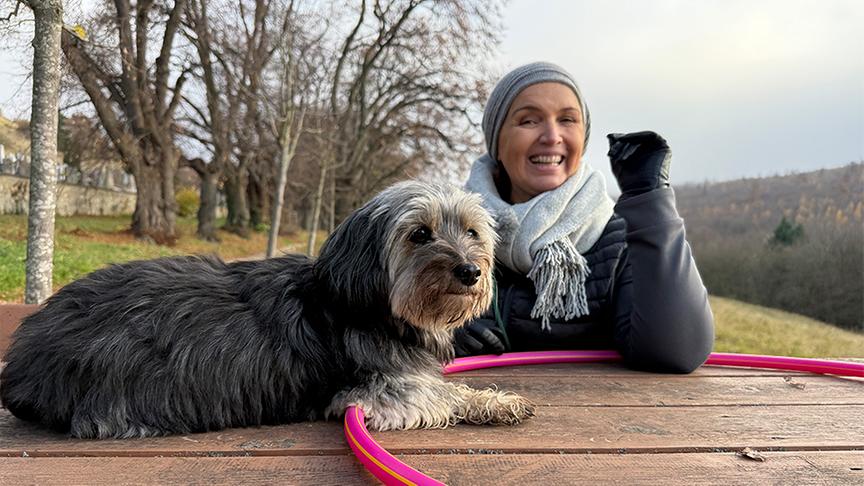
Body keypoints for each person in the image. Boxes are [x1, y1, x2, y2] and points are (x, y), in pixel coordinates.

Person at [456, 62, 714, 373]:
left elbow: (676, 351)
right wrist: (437, 333)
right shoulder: (442, 231)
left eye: (567, 119)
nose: (552, 136)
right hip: (470, 403)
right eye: (529, 120)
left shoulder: (620, 239)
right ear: (497, 140)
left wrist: (651, 200)